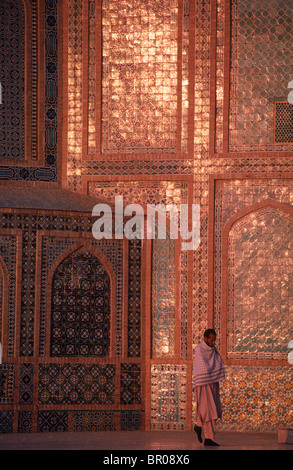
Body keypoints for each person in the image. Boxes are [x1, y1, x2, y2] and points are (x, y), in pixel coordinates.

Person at [192, 328, 225, 446]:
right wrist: (211, 372)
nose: (213, 343)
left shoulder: (214, 350)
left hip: (212, 383)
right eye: (211, 340)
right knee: (206, 409)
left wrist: (214, 373)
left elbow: (218, 363)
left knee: (213, 409)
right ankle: (205, 434)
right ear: (205, 339)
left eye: (214, 340)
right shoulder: (199, 350)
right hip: (202, 384)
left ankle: (203, 431)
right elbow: (202, 368)